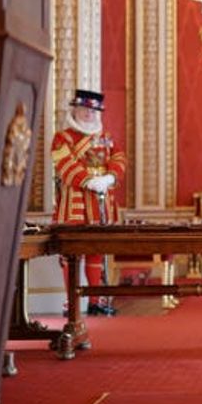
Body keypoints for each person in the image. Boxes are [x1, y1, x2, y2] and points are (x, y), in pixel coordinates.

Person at [51, 89, 127, 316]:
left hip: (101, 202)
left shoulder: (106, 137)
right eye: (84, 109)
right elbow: (64, 164)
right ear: (75, 110)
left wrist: (110, 177)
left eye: (93, 111)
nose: (89, 114)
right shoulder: (62, 138)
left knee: (97, 251)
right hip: (74, 203)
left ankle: (95, 301)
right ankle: (71, 302)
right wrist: (88, 181)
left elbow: (119, 158)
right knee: (71, 254)